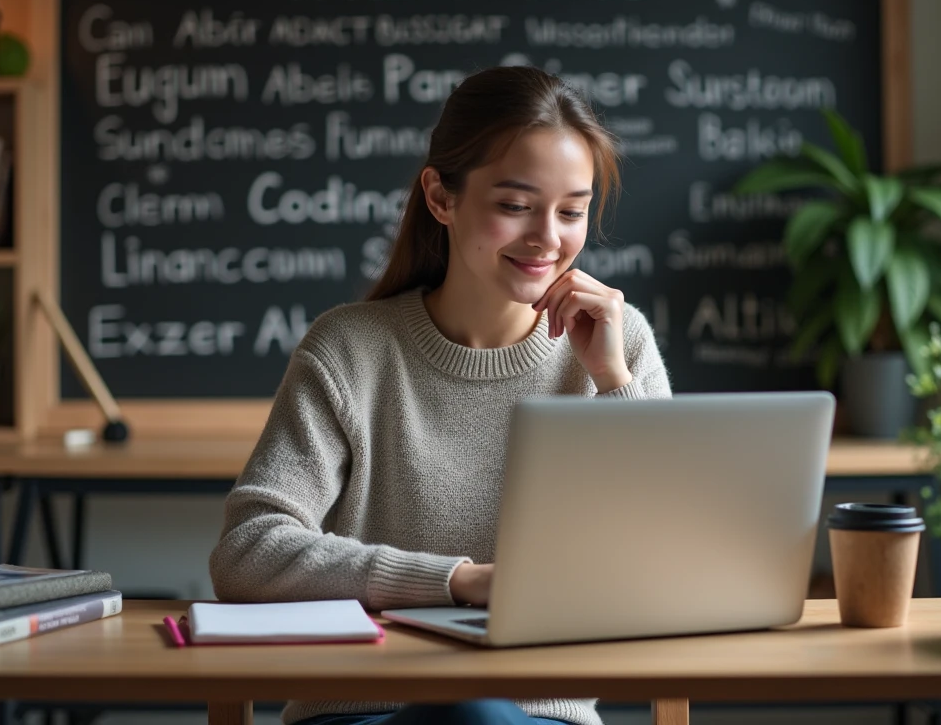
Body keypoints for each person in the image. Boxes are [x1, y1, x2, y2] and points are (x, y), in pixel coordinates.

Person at [209, 65, 672, 725]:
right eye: (515, 206)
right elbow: (247, 551)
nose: (549, 238)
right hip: (362, 712)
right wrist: (456, 581)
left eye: (572, 211)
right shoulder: (351, 349)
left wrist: (613, 383)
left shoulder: (619, 345)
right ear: (440, 197)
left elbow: (669, 564)